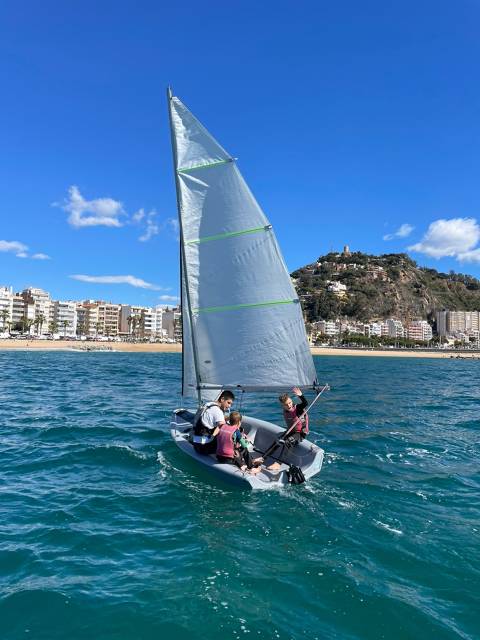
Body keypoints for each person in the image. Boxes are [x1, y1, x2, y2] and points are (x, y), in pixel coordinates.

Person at [265, 387, 309, 469]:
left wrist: (301, 396)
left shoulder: (298, 409)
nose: (289, 405)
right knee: (278, 440)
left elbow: (305, 403)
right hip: (291, 431)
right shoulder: (285, 411)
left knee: (288, 442)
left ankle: (278, 463)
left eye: (290, 402)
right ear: (282, 405)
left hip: (300, 433)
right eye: (286, 404)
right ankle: (263, 457)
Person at [192, 390, 234, 455]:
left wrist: (228, 418)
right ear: (222, 399)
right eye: (228, 403)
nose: (229, 406)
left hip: (196, 444)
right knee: (229, 435)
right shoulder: (218, 411)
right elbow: (224, 428)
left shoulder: (209, 405)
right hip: (204, 448)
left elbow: (215, 417)